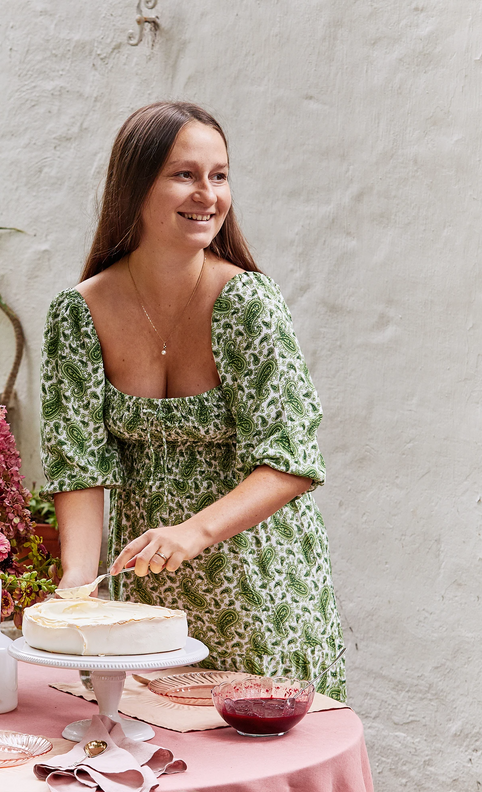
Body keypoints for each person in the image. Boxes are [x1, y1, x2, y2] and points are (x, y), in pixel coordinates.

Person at [40, 101, 345, 698]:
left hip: (262, 590)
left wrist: (194, 532)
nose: (208, 194)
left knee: (251, 770)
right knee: (143, 767)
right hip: (145, 607)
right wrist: (79, 583)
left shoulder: (247, 304)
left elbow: (291, 459)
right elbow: (78, 464)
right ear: (134, 188)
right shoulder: (78, 314)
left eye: (220, 175)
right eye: (184, 174)